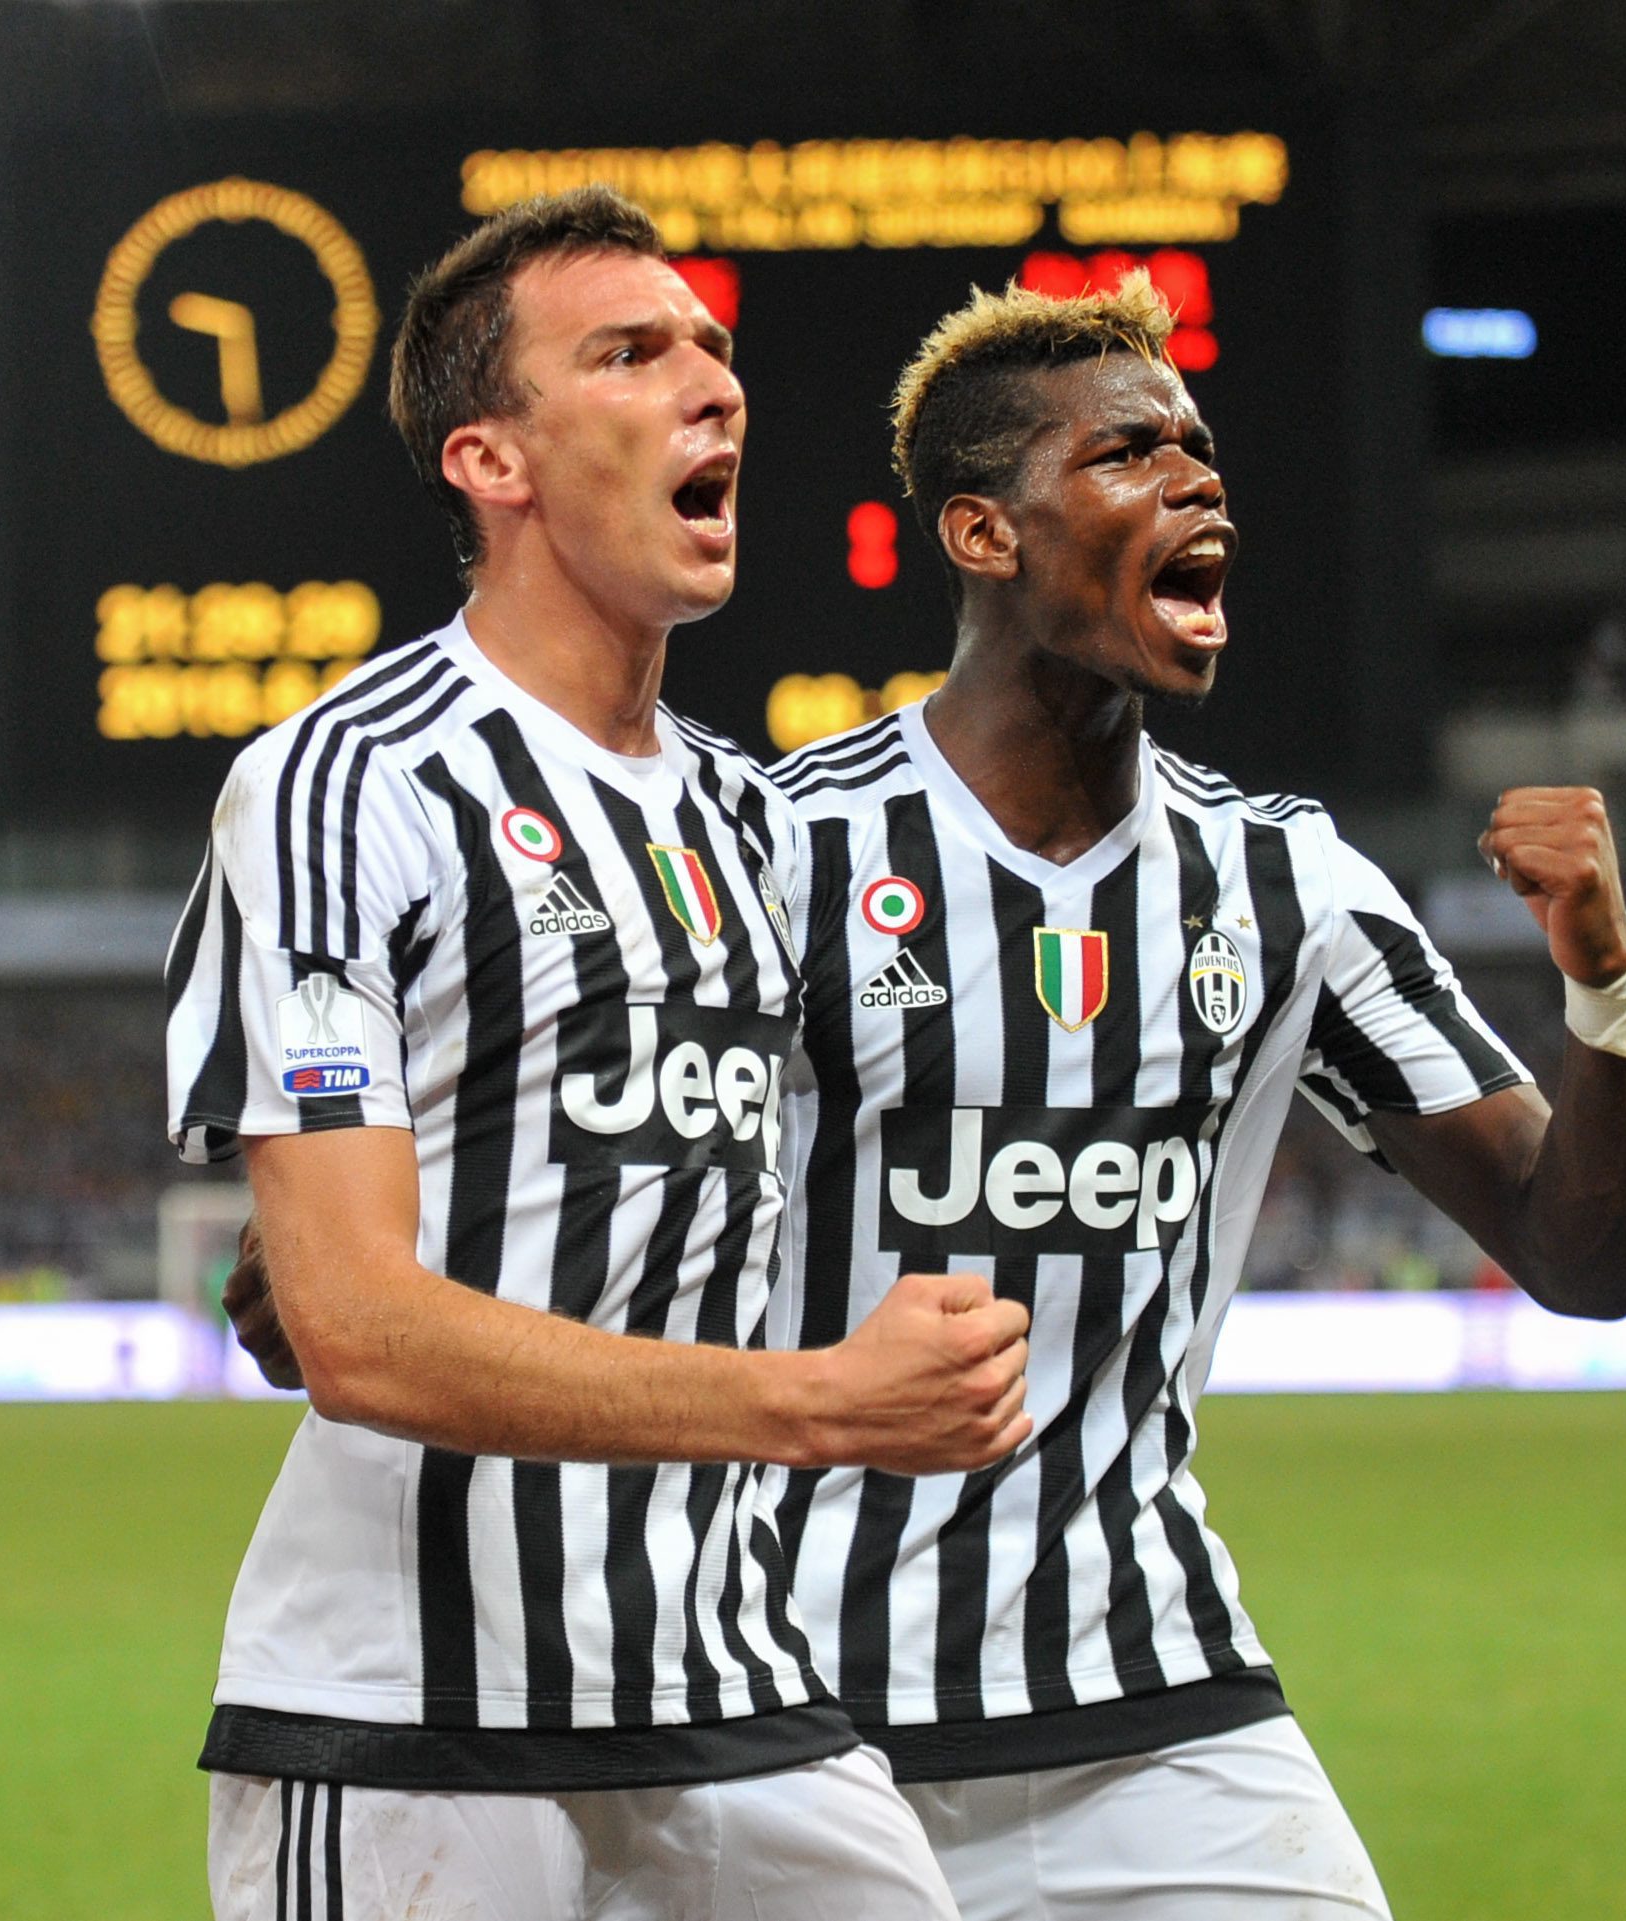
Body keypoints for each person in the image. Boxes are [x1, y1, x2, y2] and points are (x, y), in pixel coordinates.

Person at [232, 274, 1626, 1916]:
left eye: (1201, 454)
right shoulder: (776, 849)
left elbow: (1581, 1252)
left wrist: (1607, 981)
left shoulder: (1290, 888)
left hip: (1156, 1699)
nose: (1197, 484)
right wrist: (357, 1238)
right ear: (985, 535)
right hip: (781, 1707)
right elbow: (545, 1143)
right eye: (1131, 454)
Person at [166, 186, 1027, 1921]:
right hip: (410, 1716)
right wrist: (816, 1403)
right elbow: (352, 1325)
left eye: (712, 346)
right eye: (633, 354)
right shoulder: (345, 782)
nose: (714, 383)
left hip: (728, 1690)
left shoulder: (748, 818)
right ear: (490, 461)